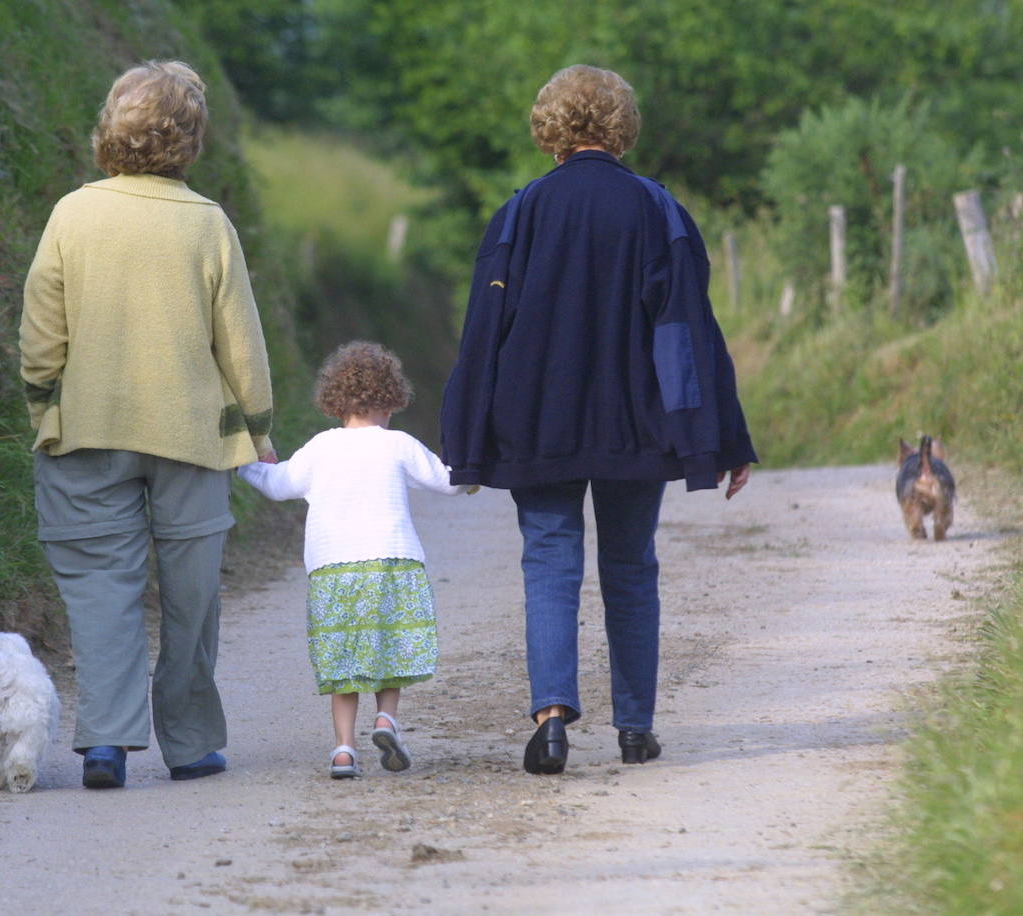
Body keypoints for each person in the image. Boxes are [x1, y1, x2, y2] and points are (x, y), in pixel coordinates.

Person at [440, 65, 757, 775]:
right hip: (635, 426)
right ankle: (635, 728)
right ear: (621, 126)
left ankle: (551, 720)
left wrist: (467, 437)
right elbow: (688, 332)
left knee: (549, 561)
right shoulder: (657, 209)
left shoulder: (520, 212)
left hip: (537, 423)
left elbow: (484, 333)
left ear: (551, 129)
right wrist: (722, 435)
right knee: (630, 567)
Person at [19, 60, 276, 789]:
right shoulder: (209, 224)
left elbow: (41, 334)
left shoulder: (73, 213)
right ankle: (191, 745)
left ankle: (105, 741)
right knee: (192, 596)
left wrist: (47, 407)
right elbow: (242, 344)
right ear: (191, 139)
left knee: (102, 586)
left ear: (111, 130)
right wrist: (257, 426)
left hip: (86, 432)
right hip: (191, 438)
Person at [238, 342, 469, 778]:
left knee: (342, 661)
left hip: (333, 570)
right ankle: (386, 721)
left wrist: (246, 465)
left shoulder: (320, 448)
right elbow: (449, 481)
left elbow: (278, 484)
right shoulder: (398, 444)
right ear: (392, 398)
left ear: (335, 400)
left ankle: (343, 750)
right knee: (391, 648)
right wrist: (478, 467)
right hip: (393, 562)